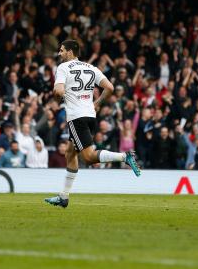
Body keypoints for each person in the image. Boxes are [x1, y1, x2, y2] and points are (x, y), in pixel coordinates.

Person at [45, 40, 140, 208]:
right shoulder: (90, 67)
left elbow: (58, 91)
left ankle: (125, 156)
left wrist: (56, 98)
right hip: (90, 115)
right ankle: (64, 196)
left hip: (76, 117)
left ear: (70, 52)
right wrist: (97, 103)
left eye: (61, 51)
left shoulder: (63, 68)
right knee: (70, 153)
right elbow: (109, 87)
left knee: (88, 157)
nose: (59, 54)